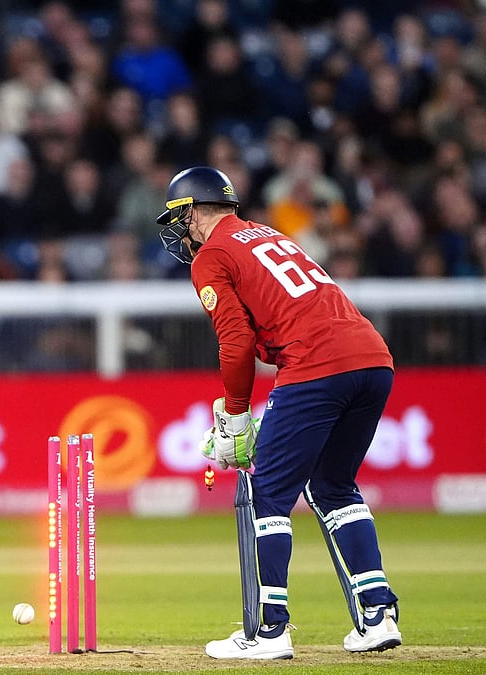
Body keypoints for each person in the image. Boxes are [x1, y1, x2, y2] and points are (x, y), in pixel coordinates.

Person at [156, 167, 401, 660]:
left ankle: (269, 631)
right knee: (333, 487)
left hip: (315, 363)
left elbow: (236, 340)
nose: (179, 231)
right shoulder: (266, 233)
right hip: (373, 359)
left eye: (179, 217)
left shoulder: (212, 255)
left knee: (267, 491)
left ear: (193, 211)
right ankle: (378, 615)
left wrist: (237, 417)